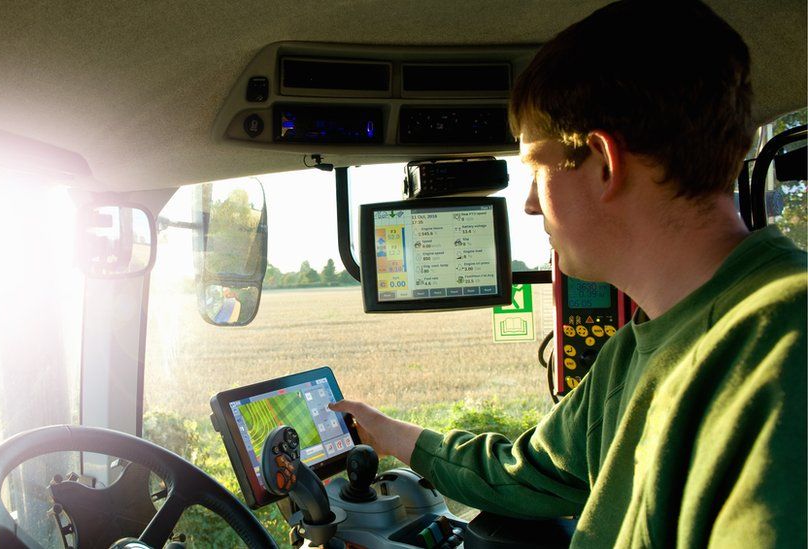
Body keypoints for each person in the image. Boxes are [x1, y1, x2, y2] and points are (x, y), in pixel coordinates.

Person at [331, 1, 807, 546]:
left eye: (536, 167)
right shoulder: (634, 350)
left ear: (605, 162)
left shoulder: (786, 344)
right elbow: (533, 471)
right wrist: (391, 434)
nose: (531, 204)